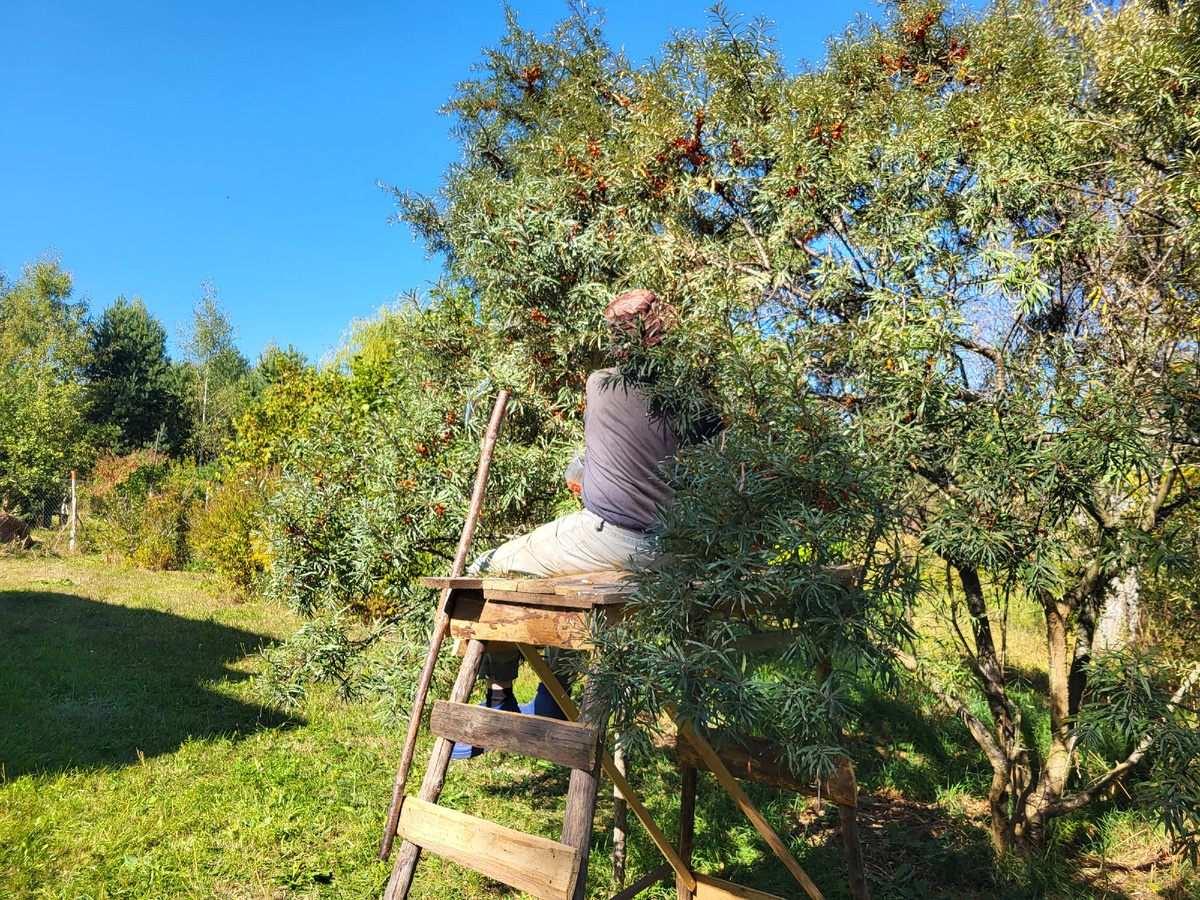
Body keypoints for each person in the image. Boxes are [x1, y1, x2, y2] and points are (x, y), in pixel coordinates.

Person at [451, 289, 706, 758]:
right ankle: (551, 702)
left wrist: (589, 477)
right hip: (684, 548)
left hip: (615, 536)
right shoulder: (697, 397)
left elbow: (582, 479)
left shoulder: (601, 383)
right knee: (567, 594)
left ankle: (499, 697)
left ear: (620, 341)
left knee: (490, 566)